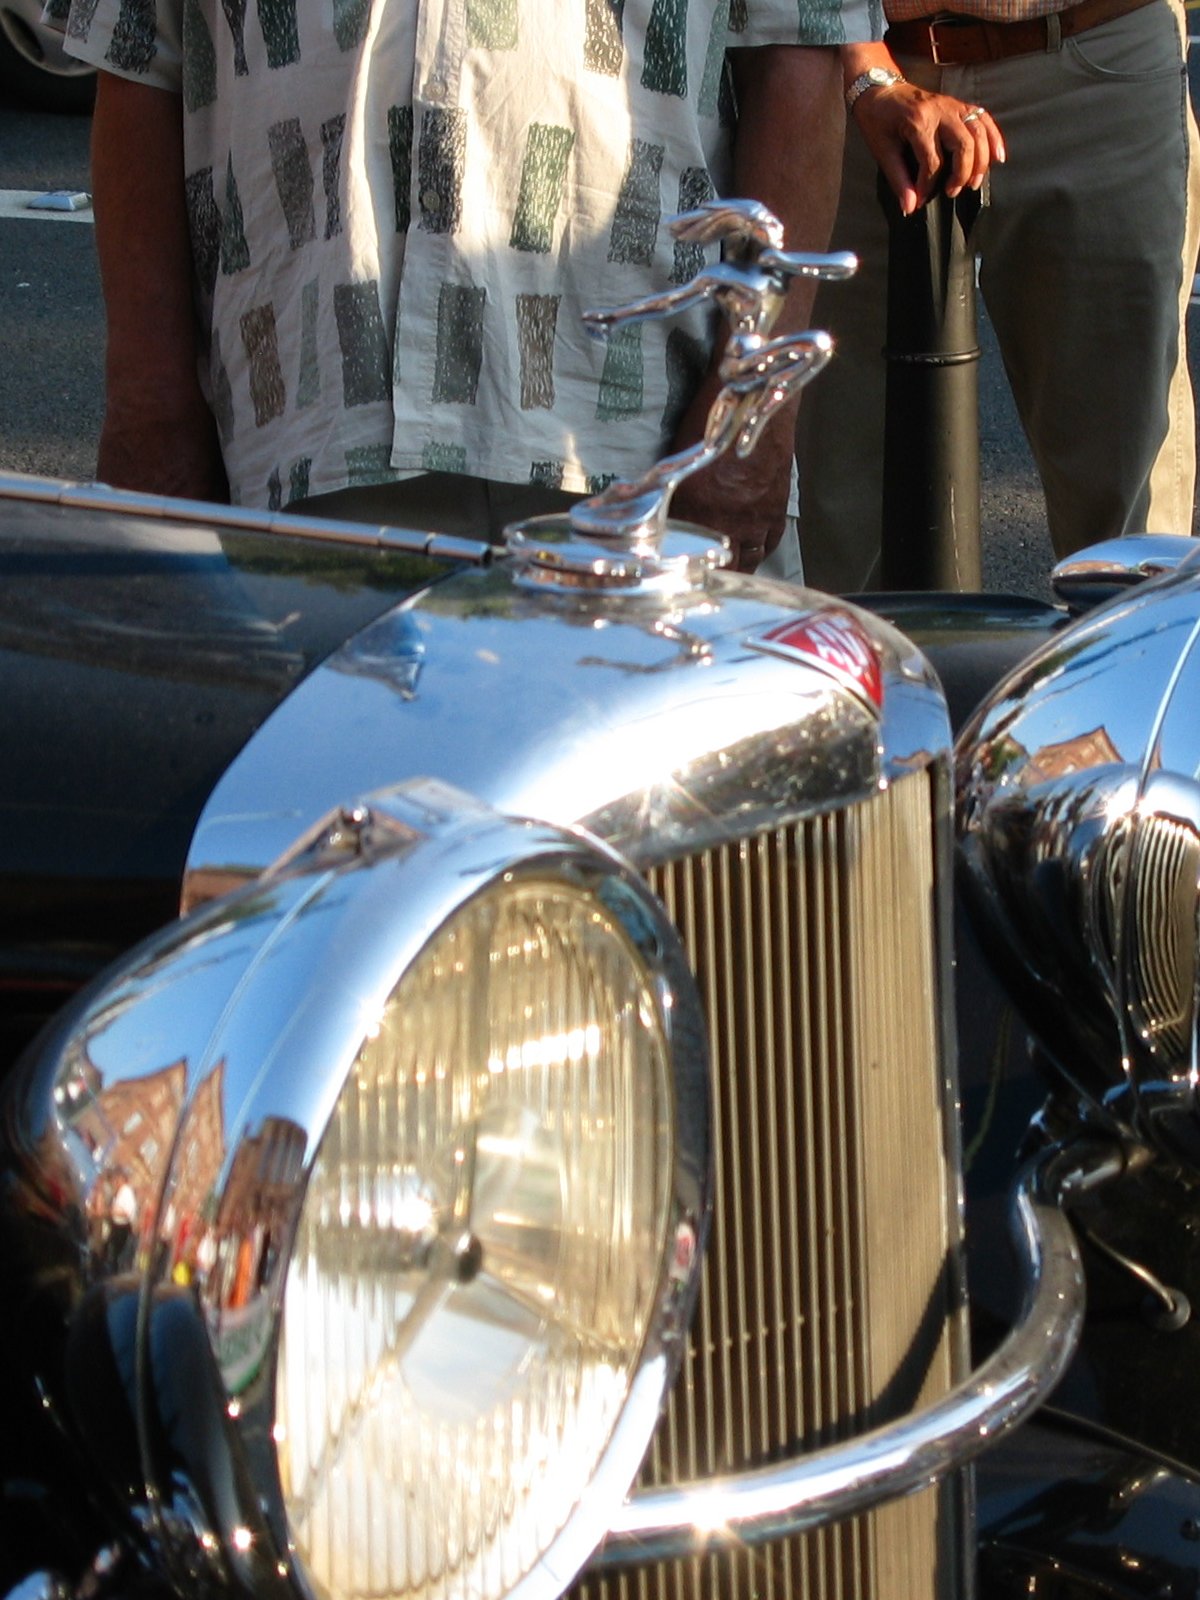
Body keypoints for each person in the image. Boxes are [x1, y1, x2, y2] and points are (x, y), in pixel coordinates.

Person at [62, 1, 875, 577]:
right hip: (310, 432)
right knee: (320, 807)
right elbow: (136, 56)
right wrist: (149, 400)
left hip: (637, 441)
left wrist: (747, 423)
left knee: (661, 804)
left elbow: (800, 49)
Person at [796, 0, 1200, 592]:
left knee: (1123, 539)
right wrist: (857, 60)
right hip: (853, 61)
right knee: (834, 507)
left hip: (1096, 56)